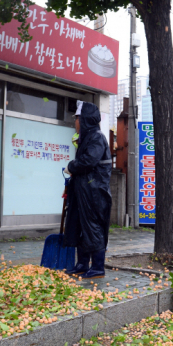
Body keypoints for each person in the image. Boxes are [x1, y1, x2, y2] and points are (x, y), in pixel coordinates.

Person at [63, 100, 112, 278]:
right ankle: (82, 263)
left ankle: (98, 267)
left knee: (93, 227)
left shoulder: (96, 137)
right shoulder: (86, 138)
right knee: (80, 226)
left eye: (77, 118)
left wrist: (72, 165)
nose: (74, 121)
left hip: (94, 193)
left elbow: (89, 161)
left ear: (84, 119)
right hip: (83, 191)